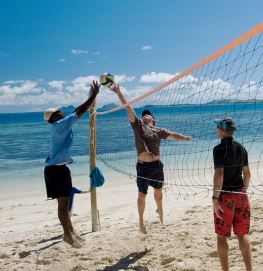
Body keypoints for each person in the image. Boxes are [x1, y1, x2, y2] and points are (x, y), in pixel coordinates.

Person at [110, 83, 192, 234]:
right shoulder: (138, 126)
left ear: (153, 119)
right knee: (142, 194)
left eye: (147, 114)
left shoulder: (159, 130)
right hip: (142, 166)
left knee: (158, 194)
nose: (145, 115)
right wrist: (119, 93)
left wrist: (185, 137)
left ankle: (159, 210)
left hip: (156, 166)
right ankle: (141, 221)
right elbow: (128, 108)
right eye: (143, 114)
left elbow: (173, 135)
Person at [43, 80, 100, 248]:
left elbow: (78, 111)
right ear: (54, 117)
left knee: (65, 201)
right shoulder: (60, 125)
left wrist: (91, 97)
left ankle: (71, 231)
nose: (62, 112)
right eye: (59, 111)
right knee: (62, 203)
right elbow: (79, 111)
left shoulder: (59, 125)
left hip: (60, 168)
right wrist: (94, 96)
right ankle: (67, 235)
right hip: (54, 170)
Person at [212, 118, 255, 271]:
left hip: (225, 197)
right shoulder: (241, 148)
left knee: (222, 236)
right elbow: (247, 174)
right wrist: (244, 189)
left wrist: (215, 199)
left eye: (217, 127)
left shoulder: (218, 149)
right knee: (242, 236)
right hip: (241, 195)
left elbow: (219, 177)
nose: (216, 129)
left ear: (222, 131)